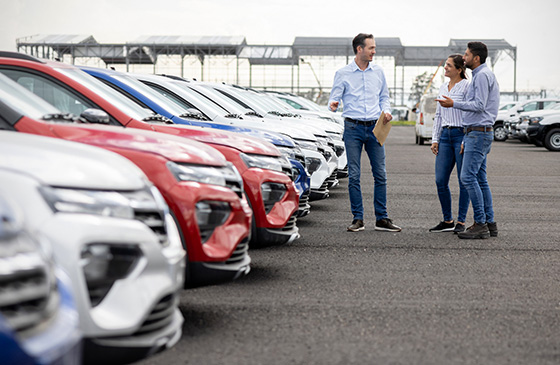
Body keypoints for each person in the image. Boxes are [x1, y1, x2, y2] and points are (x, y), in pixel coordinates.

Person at [328, 33, 401, 233]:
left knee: (380, 174)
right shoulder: (343, 73)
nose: (374, 52)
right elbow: (333, 100)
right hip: (352, 128)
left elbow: (384, 97)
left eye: (374, 48)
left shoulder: (378, 72)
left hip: (375, 128)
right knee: (354, 175)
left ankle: (382, 218)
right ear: (359, 49)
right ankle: (358, 218)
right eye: (371, 48)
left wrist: (387, 111)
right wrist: (333, 104)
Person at [436, 42, 500, 239]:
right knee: (480, 179)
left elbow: (479, 105)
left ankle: (480, 223)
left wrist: (453, 103)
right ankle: (490, 223)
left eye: (466, 54)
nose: (464, 58)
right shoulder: (483, 75)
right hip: (478, 132)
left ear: (476, 58)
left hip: (478, 133)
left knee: (468, 178)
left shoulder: (481, 76)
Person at [429, 54, 470, 234]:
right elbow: (438, 115)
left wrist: (466, 139)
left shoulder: (467, 86)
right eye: (445, 65)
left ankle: (461, 221)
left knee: (464, 181)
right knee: (440, 180)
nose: (445, 68)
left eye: (449, 65)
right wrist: (435, 138)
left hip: (461, 134)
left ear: (459, 69)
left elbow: (470, 112)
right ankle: (448, 220)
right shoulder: (443, 86)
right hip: (445, 135)